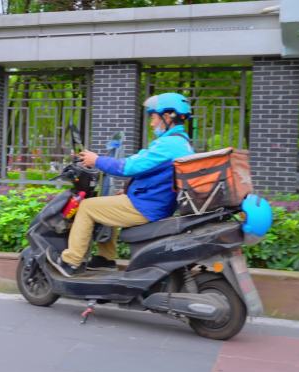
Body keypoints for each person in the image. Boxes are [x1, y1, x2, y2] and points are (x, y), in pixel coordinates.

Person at [47, 92, 195, 277]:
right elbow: (152, 174)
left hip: (148, 207)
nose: (151, 123)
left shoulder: (170, 144)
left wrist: (97, 160)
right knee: (107, 203)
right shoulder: (180, 143)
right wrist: (128, 191)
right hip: (152, 202)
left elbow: (128, 167)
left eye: (153, 118)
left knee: (86, 207)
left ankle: (71, 261)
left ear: (167, 117)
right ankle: (105, 259)